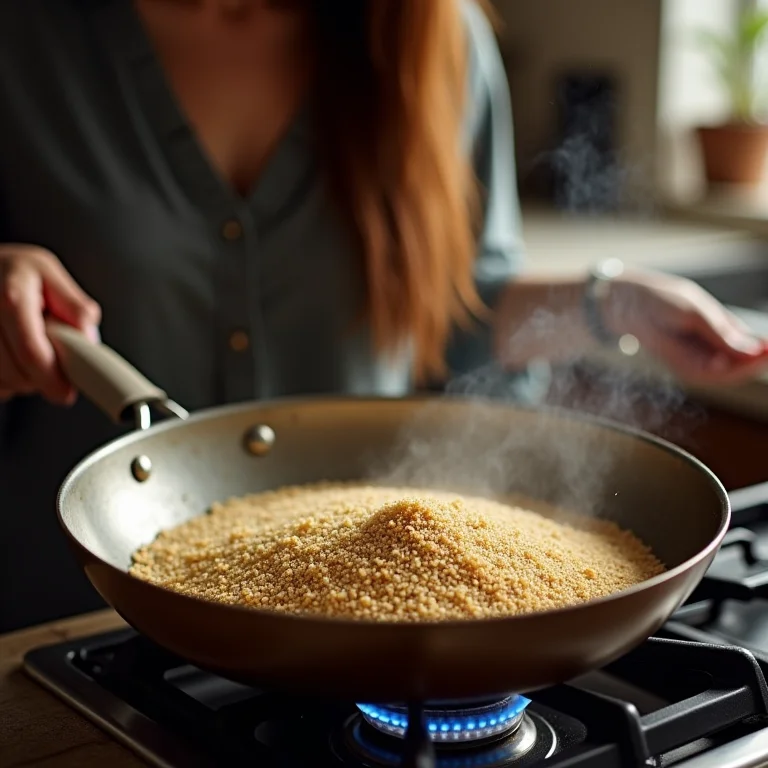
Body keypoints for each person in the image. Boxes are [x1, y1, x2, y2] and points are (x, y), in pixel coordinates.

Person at [0, 0, 765, 634]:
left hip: (377, 636)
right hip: (66, 616)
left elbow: (457, 311)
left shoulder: (433, 32)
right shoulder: (26, 35)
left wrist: (610, 301)